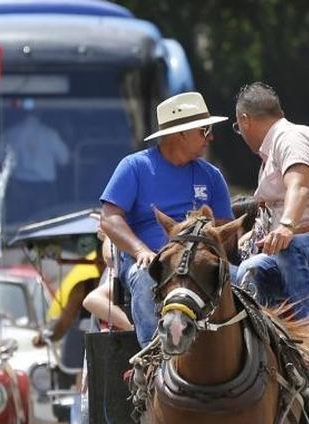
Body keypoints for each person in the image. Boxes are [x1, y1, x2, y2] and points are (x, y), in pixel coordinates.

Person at [97, 91, 232, 345]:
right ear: (181, 134)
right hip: (152, 262)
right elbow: (109, 218)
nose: (210, 137)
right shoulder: (135, 166)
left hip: (200, 262)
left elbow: (225, 228)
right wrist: (140, 251)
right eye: (204, 130)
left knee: (247, 279)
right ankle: (154, 358)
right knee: (147, 278)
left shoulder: (212, 176)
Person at [230, 82, 309, 320]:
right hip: (290, 255)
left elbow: (298, 187)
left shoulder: (292, 137)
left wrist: (286, 226)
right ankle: (267, 346)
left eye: (238, 127)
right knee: (248, 270)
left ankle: (306, 340)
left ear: (245, 120)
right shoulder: (269, 157)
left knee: (290, 247)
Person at [0, 98, 71, 219]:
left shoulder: (10, 134)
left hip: (19, 187)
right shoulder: (50, 134)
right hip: (43, 188)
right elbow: (64, 159)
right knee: (46, 224)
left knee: (18, 223)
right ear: (40, 114)